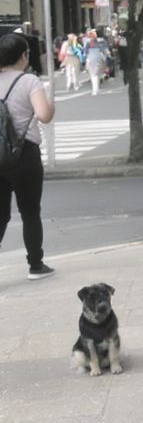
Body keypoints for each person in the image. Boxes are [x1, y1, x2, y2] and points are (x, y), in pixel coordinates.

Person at [0, 33, 56, 280]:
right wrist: (50, 103)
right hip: (24, 155)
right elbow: (44, 115)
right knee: (30, 212)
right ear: (23, 55)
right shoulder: (29, 81)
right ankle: (36, 265)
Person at [84, 30, 104, 95]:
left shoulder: (88, 44)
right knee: (97, 75)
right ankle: (96, 88)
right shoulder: (99, 43)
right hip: (98, 60)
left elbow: (85, 53)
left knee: (93, 75)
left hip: (91, 60)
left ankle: (95, 90)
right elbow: (103, 51)